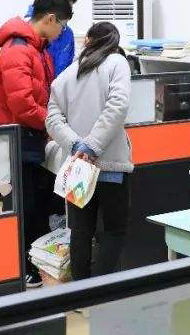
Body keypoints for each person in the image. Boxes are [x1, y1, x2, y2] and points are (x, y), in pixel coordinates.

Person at [0, 0, 73, 288]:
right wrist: (53, 125)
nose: (61, 32)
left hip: (28, 136)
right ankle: (26, 267)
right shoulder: (18, 50)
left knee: (35, 202)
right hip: (16, 138)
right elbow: (22, 104)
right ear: (50, 19)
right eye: (62, 25)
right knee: (24, 205)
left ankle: (35, 264)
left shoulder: (35, 48)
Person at [46, 22, 132, 280]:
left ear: (87, 41)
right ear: (114, 43)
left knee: (81, 231)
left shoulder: (67, 75)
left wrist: (76, 145)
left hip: (78, 168)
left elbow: (52, 119)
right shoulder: (118, 63)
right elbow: (118, 106)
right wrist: (91, 146)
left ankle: (81, 291)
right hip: (111, 165)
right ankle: (100, 289)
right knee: (115, 230)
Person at [26, 0, 78, 77]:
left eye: (70, 10)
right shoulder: (26, 33)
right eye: (66, 8)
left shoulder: (68, 34)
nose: (67, 14)